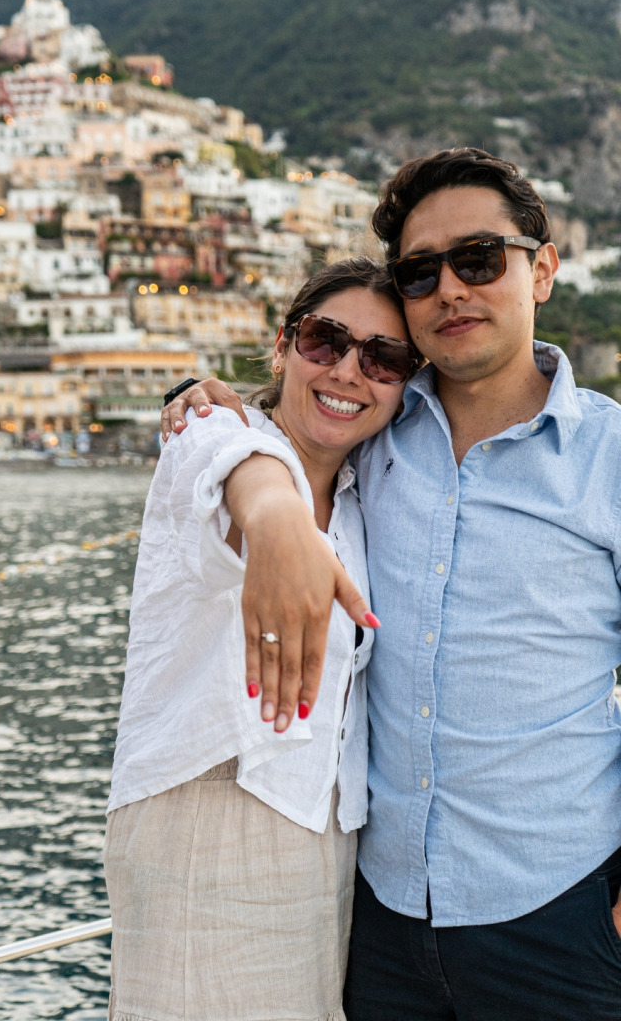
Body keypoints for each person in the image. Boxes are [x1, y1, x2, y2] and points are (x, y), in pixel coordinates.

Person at [162, 148, 621, 1020]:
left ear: (544, 270)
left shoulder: (611, 459)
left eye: (478, 260)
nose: (450, 289)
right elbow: (271, 434)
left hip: (560, 914)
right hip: (381, 921)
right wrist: (200, 399)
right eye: (420, 272)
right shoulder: (373, 427)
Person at [104, 258, 421, 1021]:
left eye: (383, 358)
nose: (349, 370)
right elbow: (244, 474)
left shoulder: (361, 496)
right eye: (326, 341)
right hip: (208, 818)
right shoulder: (217, 431)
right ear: (282, 347)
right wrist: (281, 527)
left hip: (329, 842)